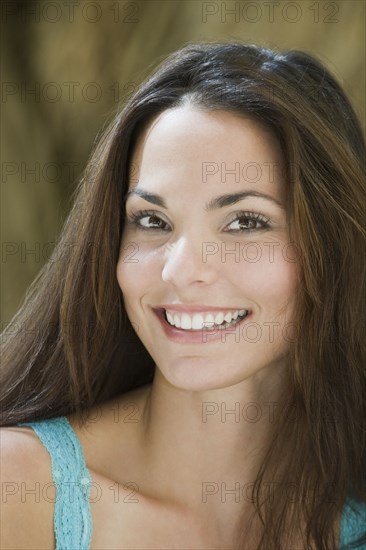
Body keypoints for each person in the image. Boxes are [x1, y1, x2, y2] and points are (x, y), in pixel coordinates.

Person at [1, 40, 365, 550]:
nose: (181, 270)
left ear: (334, 248)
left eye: (245, 222)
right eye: (152, 221)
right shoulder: (15, 491)